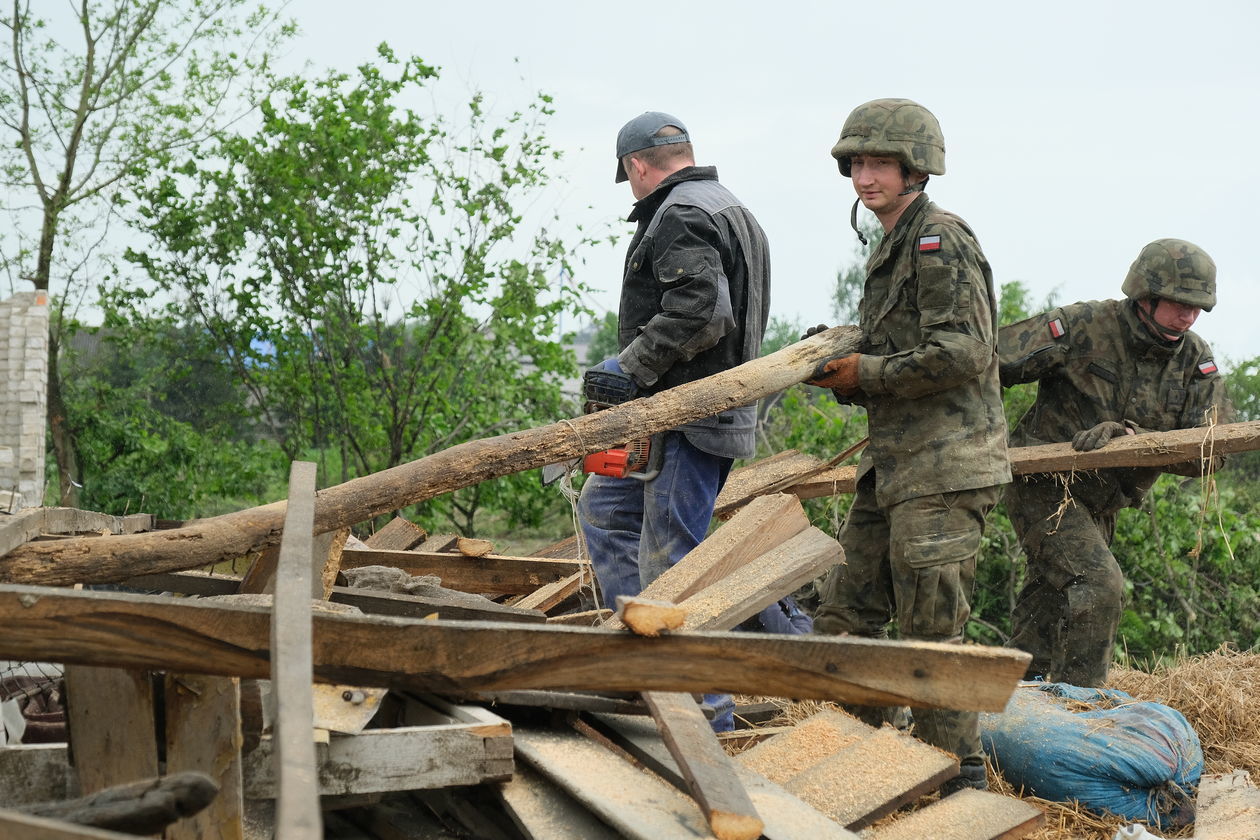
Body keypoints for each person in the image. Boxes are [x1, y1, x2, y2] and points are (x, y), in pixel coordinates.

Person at [805, 98, 1011, 793]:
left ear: (915, 168)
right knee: (845, 616)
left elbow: (965, 351)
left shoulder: (938, 239)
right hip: (894, 464)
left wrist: (869, 373)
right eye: (857, 163)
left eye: (880, 164)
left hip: (945, 468)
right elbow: (904, 346)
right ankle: (862, 765)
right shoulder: (892, 242)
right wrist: (840, 359)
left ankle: (957, 781)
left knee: (930, 635)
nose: (866, 177)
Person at [577, 112, 799, 727]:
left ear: (636, 166)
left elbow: (703, 314)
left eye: (627, 178)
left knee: (673, 558)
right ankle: (647, 672)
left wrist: (630, 367)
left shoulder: (677, 213)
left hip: (692, 417)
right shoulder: (728, 205)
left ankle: (705, 711)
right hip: (688, 413)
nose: (630, 187)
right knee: (603, 511)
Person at [998, 238, 1229, 688]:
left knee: (1047, 602)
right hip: (1041, 485)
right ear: (1146, 294)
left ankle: (1015, 700)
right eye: (1181, 303)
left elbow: (1213, 449)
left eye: (1198, 307)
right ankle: (1079, 711)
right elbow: (989, 360)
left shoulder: (1194, 360)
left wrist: (1139, 442)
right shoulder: (1085, 325)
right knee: (1099, 584)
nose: (1189, 316)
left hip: (1102, 504)